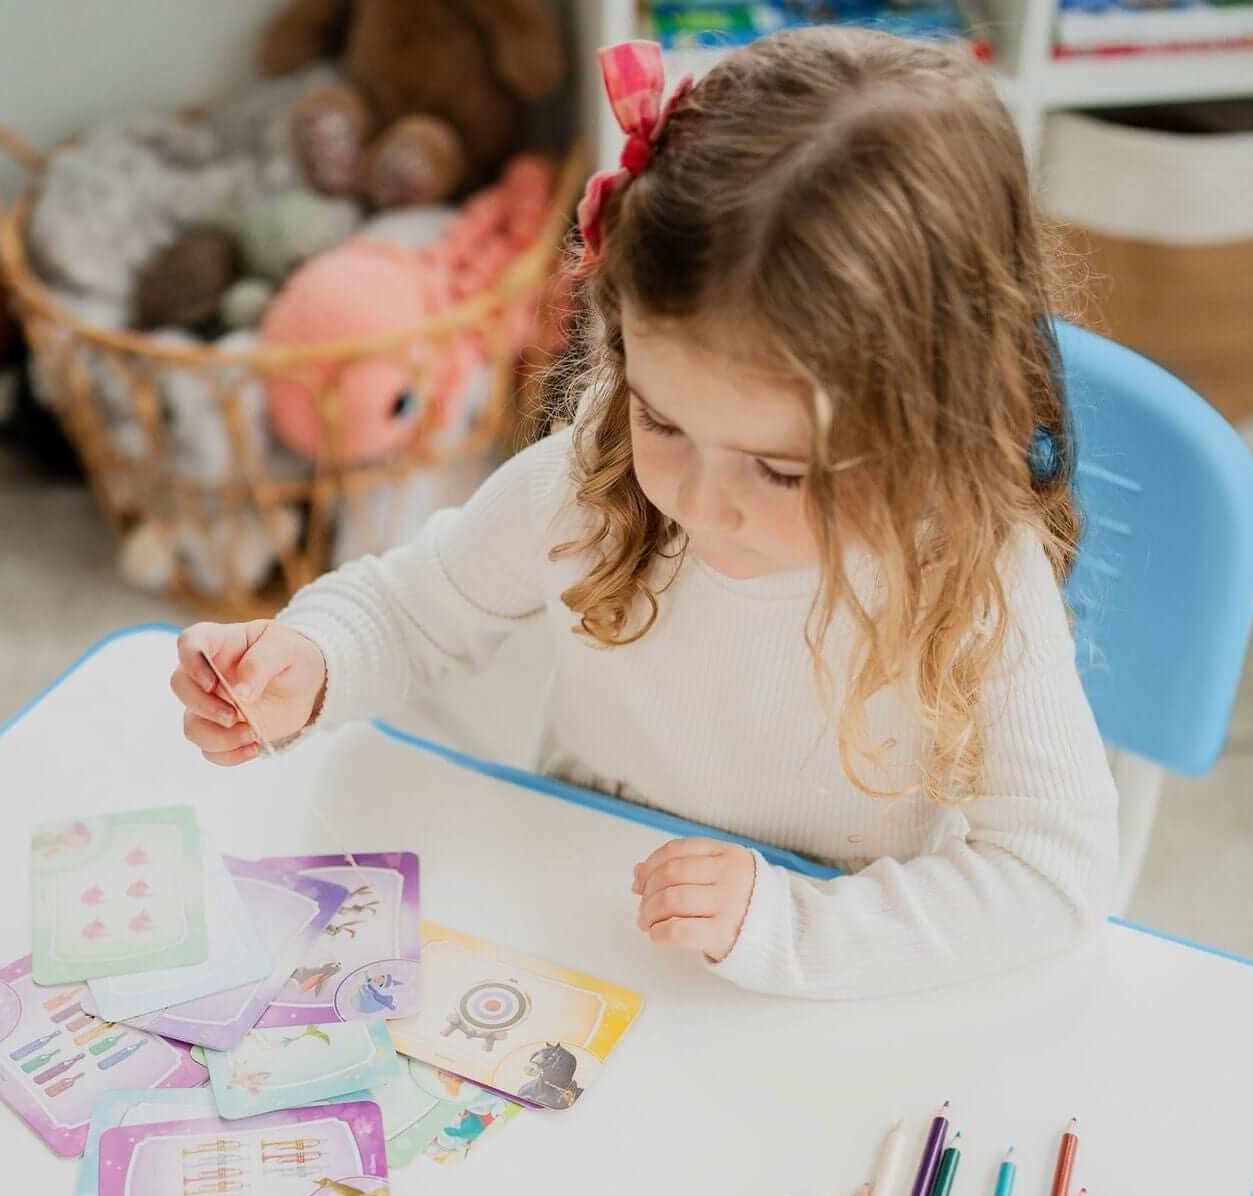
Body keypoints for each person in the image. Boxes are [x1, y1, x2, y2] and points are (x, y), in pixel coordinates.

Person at [170, 30, 1117, 1000]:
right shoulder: (599, 466)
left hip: (817, 987)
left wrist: (790, 924)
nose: (701, 502)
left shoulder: (969, 573)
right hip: (583, 935)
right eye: (663, 415)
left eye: (780, 472)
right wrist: (310, 664)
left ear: (933, 422)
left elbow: (1051, 872)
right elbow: (414, 608)